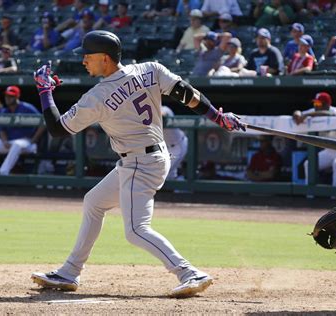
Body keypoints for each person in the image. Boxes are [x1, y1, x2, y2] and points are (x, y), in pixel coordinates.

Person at [30, 30, 245, 297]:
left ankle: (189, 272)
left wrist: (45, 91)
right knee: (94, 202)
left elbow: (57, 129)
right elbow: (186, 93)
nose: (84, 60)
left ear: (105, 59)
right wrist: (217, 116)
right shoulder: (150, 69)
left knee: (135, 230)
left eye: (88, 56)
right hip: (151, 157)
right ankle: (69, 272)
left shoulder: (97, 97)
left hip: (139, 163)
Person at [0, 86, 44, 175]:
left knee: (17, 144)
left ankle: (3, 172)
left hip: (27, 142)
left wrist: (35, 139)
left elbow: (43, 122)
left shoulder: (27, 108)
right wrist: (4, 140)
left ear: (17, 97)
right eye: (6, 96)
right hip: (10, 142)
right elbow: (2, 129)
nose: (8, 98)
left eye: (11, 96)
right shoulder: (5, 111)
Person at [293, 92, 336, 187]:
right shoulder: (315, 111)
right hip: (330, 150)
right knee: (308, 164)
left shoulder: (335, 111)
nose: (315, 106)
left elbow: (329, 114)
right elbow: (298, 113)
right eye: (315, 103)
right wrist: (297, 115)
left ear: (327, 104)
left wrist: (307, 115)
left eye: (318, 104)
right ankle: (310, 193)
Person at [161, 105, 188, 180]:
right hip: (166, 149)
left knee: (162, 173)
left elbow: (163, 114)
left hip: (178, 145)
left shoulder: (165, 109)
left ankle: (182, 188)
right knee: (169, 177)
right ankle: (181, 189)